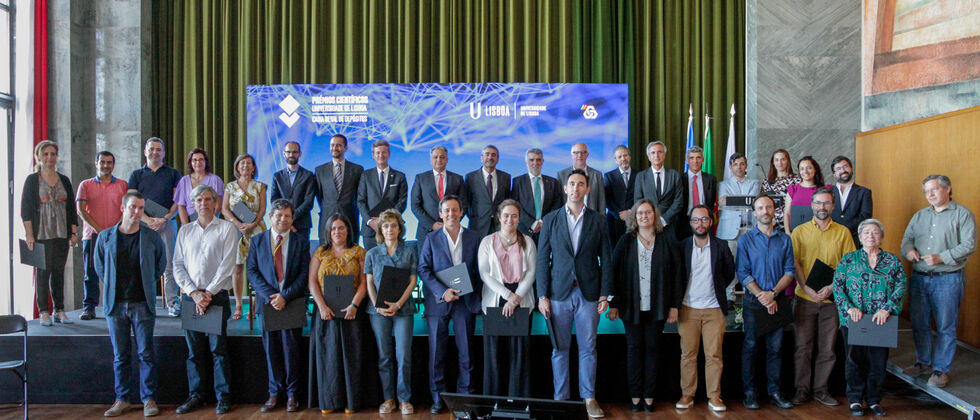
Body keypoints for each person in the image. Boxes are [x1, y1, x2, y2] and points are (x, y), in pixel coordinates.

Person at [536, 169, 612, 418]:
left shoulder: (599, 220)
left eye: (581, 184)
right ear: (565, 188)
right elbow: (542, 260)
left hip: (588, 294)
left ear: (587, 189)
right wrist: (542, 295)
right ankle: (562, 400)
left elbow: (607, 260)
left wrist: (604, 295)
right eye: (572, 184)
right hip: (558, 294)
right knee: (559, 349)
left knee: (588, 348)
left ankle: (589, 398)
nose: (576, 188)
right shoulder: (551, 219)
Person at [94, 192, 166, 418]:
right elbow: (100, 267)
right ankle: (122, 398)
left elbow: (160, 265)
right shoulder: (105, 237)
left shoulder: (152, 237)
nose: (137, 212)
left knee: (146, 353)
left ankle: (148, 399)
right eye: (133, 207)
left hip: (142, 304)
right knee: (120, 355)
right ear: (123, 208)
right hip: (116, 306)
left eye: (141, 208)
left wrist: (145, 281)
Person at [900, 175, 976, 387]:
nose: (930, 195)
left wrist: (942, 257)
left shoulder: (962, 215)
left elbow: (969, 245)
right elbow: (906, 240)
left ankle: (941, 370)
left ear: (948, 189)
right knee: (920, 323)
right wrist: (909, 251)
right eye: (926, 191)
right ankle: (923, 362)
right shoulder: (919, 216)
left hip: (948, 279)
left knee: (945, 326)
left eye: (934, 190)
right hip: (919, 278)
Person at [607, 198, 679, 413]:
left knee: (653, 351)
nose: (644, 216)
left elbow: (676, 274)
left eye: (648, 213)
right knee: (634, 351)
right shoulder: (626, 241)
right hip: (631, 308)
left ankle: (649, 396)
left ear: (654, 216)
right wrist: (613, 303)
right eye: (640, 213)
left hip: (658, 307)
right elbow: (613, 273)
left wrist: (674, 306)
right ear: (634, 218)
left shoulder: (666, 240)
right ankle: (635, 396)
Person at [172, 184, 238, 415]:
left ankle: (223, 397)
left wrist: (207, 293)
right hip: (191, 298)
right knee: (194, 352)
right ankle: (196, 395)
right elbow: (177, 265)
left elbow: (227, 265)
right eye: (198, 200)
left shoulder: (227, 229)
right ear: (192, 203)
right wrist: (193, 293)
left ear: (215, 202)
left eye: (208, 199)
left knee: (218, 350)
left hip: (216, 297)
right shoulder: (185, 231)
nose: (203, 203)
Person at [789, 187, 855, 407]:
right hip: (804, 298)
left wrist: (831, 287)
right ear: (811, 205)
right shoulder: (799, 231)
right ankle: (801, 390)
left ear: (833, 206)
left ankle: (821, 390)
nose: (822, 207)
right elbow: (795, 263)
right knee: (802, 348)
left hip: (831, 300)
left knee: (827, 349)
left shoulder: (843, 232)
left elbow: (848, 265)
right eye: (818, 203)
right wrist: (805, 287)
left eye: (826, 203)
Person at [833, 219, 906, 417]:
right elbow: (838, 287)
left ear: (881, 236)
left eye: (875, 232)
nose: (870, 236)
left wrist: (887, 309)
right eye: (866, 233)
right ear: (860, 236)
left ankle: (874, 400)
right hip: (854, 320)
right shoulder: (849, 260)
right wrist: (849, 308)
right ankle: (855, 400)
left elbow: (900, 286)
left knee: (878, 361)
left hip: (881, 320)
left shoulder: (892, 262)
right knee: (854, 360)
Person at [418, 195, 483, 413]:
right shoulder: (432, 238)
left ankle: (465, 398)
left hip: (465, 302)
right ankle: (438, 398)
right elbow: (423, 269)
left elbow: (480, 270)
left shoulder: (475, 237)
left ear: (461, 212)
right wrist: (442, 291)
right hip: (439, 302)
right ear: (440, 213)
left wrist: (467, 287)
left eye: (455, 210)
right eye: (447, 211)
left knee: (466, 353)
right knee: (437, 354)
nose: (451, 214)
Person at [246, 199, 310, 413]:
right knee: (271, 349)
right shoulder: (257, 241)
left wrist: (285, 296)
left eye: (288, 216)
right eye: (279, 215)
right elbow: (252, 272)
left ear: (292, 219)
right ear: (271, 217)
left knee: (291, 349)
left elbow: (304, 274)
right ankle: (274, 393)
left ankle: (292, 394)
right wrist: (271, 295)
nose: (283, 219)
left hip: (291, 302)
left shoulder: (301, 242)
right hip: (267, 303)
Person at [736, 195, 795, 410]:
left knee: (776, 349)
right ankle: (750, 393)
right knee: (750, 347)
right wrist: (762, 295)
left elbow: (790, 271)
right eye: (760, 208)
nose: (765, 211)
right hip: (753, 302)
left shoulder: (785, 239)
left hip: (778, 302)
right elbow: (742, 272)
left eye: (768, 207)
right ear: (754, 212)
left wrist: (773, 293)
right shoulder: (746, 240)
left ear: (774, 210)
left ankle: (775, 392)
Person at [675, 204, 736, 412]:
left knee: (714, 355)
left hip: (714, 310)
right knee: (688, 355)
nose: (699, 224)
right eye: (695, 220)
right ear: (690, 223)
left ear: (711, 222)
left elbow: (728, 274)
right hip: (687, 309)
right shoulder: (682, 246)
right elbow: (676, 277)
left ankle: (715, 396)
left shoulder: (721, 246)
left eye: (703, 219)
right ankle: (687, 394)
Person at [309, 213, 367, 413]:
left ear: (348, 230)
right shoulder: (320, 253)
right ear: (328, 231)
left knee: (352, 358)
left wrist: (354, 305)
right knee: (329, 358)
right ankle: (329, 401)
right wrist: (322, 306)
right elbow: (312, 282)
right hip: (326, 314)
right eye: (333, 228)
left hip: (352, 313)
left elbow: (364, 282)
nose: (337, 232)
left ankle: (351, 402)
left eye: (341, 228)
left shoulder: (359, 252)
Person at [478, 199, 537, 398]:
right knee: (494, 355)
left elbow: (531, 273)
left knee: (519, 354)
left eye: (514, 215)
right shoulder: (487, 241)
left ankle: (518, 402)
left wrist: (516, 296)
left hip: (522, 301)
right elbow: (484, 273)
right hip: (495, 300)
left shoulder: (527, 241)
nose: (509, 219)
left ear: (519, 218)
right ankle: (493, 402)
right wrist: (507, 295)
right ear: (498, 217)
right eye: (506, 215)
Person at [364, 209, 419, 415]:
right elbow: (369, 281)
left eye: (393, 225)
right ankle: (389, 399)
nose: (390, 229)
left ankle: (404, 399)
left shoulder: (409, 251)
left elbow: (413, 281)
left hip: (403, 309)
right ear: (380, 229)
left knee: (403, 354)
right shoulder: (372, 253)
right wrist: (377, 304)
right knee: (384, 356)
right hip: (377, 311)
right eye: (385, 226)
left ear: (400, 228)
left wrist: (397, 304)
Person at [21, 140, 78, 326]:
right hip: (40, 233)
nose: (49, 158)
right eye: (45, 154)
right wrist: (29, 234)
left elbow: (71, 208)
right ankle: (44, 311)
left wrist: (73, 231)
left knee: (59, 272)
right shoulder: (32, 180)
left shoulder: (64, 180)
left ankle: (59, 310)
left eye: (53, 154)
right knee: (43, 273)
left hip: (61, 232)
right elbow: (26, 210)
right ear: (39, 156)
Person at [128, 137, 183, 317]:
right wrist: (147, 220)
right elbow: (131, 201)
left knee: (168, 265)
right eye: (151, 149)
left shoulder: (173, 173)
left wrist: (165, 218)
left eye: (158, 149)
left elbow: (178, 201)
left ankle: (172, 302)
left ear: (164, 153)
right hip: (143, 225)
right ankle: (146, 303)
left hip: (167, 224)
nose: (155, 152)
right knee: (144, 264)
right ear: (145, 152)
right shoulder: (136, 175)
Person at [76, 151, 128, 320]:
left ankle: (117, 306)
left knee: (117, 271)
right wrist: (98, 228)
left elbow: (127, 209)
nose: (106, 165)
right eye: (103, 162)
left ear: (113, 164)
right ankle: (89, 307)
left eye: (109, 162)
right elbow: (81, 210)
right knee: (90, 273)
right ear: (96, 163)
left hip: (117, 234)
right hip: (92, 236)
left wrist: (116, 228)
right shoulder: (85, 185)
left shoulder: (122, 185)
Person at [221, 154, 267, 320]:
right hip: (236, 230)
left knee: (258, 268)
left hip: (256, 229)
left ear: (254, 167)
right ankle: (239, 304)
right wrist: (237, 223)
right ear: (237, 167)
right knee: (237, 267)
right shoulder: (230, 187)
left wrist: (253, 224)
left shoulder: (260, 186)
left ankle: (255, 306)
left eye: (249, 163)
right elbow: (225, 209)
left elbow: (262, 210)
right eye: (242, 163)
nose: (246, 166)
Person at [411, 145, 466, 251]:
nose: (439, 160)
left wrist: (450, 223)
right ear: (431, 159)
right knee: (425, 266)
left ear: (447, 159)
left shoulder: (457, 179)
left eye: (442, 157)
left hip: (451, 232)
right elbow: (415, 205)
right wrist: (432, 224)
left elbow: (463, 204)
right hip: (426, 232)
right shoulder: (420, 178)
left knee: (450, 266)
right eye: (435, 157)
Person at [357, 139, 408, 250]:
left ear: (389, 154)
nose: (381, 155)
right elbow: (361, 201)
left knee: (392, 264)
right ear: (373, 155)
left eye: (384, 152)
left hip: (392, 229)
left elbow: (402, 201)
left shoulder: (400, 176)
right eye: (378, 152)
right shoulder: (366, 175)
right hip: (370, 230)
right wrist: (370, 221)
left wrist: (388, 220)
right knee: (372, 263)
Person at [314, 134, 364, 244]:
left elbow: (360, 195)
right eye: (332, 145)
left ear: (345, 148)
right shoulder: (319, 170)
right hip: (327, 220)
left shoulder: (357, 170)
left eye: (338, 145)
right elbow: (319, 195)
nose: (334, 148)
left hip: (350, 220)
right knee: (326, 258)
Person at [510, 148, 563, 243]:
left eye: (538, 160)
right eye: (531, 160)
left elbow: (557, 205)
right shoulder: (518, 181)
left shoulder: (553, 182)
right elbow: (515, 205)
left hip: (547, 231)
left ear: (542, 161)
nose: (535, 163)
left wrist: (542, 222)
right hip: (524, 231)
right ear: (526, 162)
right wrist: (532, 224)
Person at [633, 141, 683, 238]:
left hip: (669, 225)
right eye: (653, 152)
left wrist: (663, 219)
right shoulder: (641, 176)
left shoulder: (674, 175)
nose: (656, 155)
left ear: (664, 155)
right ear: (648, 156)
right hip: (647, 225)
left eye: (660, 152)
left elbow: (678, 201)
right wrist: (650, 218)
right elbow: (638, 201)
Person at [270, 141, 317, 240]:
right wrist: (285, 218)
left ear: (299, 154)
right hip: (281, 224)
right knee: (282, 254)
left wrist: (290, 218)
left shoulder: (308, 175)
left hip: (302, 225)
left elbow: (308, 202)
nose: (291, 155)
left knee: (302, 255)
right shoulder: (277, 176)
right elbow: (274, 200)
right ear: (284, 154)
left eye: (295, 152)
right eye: (288, 152)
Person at [717, 153, 760, 253]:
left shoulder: (755, 183)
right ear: (730, 167)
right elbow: (724, 202)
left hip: (749, 228)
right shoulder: (723, 185)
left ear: (746, 166)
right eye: (735, 164)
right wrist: (744, 201)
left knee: (749, 264)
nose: (739, 167)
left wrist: (732, 200)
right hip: (729, 230)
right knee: (729, 264)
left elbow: (753, 202)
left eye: (742, 164)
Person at [465, 145, 511, 237]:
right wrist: (475, 218)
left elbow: (507, 201)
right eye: (487, 154)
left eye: (493, 155)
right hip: (478, 226)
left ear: (497, 159)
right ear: (482, 158)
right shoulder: (471, 177)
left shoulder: (506, 177)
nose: (490, 157)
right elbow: (466, 202)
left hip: (499, 226)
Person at [829, 156, 873, 247]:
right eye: (838, 168)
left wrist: (845, 229)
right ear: (834, 174)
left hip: (855, 239)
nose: (843, 170)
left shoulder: (864, 192)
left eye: (845, 166)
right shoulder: (828, 192)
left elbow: (865, 216)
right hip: (830, 238)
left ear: (851, 169)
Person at [174, 148, 224, 225]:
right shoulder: (184, 181)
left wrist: (210, 221)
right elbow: (181, 206)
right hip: (189, 223)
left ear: (205, 162)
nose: (198, 162)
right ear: (190, 162)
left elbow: (218, 204)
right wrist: (187, 226)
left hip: (210, 222)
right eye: (194, 160)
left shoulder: (215, 180)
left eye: (201, 159)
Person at [783, 156, 831, 233]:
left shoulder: (824, 190)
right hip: (795, 235)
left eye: (809, 168)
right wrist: (788, 233)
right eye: (802, 169)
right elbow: (787, 213)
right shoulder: (793, 189)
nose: (805, 171)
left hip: (818, 234)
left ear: (815, 169)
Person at [678, 146, 718, 239]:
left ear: (703, 159)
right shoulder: (679, 179)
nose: (695, 161)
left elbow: (712, 203)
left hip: (704, 222)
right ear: (687, 160)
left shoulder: (711, 179)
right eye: (691, 158)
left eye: (698, 157)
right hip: (684, 222)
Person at [557, 143, 606, 214]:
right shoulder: (562, 175)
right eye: (576, 152)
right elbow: (559, 201)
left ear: (587, 155)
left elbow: (601, 201)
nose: (580, 155)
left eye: (583, 152)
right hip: (568, 218)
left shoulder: (597, 175)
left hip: (592, 218)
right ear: (571, 155)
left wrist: (602, 221)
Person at [761, 149, 800, 230]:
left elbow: (799, 201)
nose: (780, 163)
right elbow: (763, 202)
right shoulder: (767, 182)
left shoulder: (796, 180)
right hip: (773, 224)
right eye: (777, 160)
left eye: (783, 159)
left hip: (792, 222)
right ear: (773, 162)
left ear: (788, 161)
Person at [603, 145, 635, 245]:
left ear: (629, 157)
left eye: (625, 155)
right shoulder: (609, 176)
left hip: (635, 219)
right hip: (614, 220)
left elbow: (641, 196)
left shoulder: (639, 175)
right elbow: (607, 198)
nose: (623, 159)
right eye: (620, 157)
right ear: (616, 160)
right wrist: (620, 214)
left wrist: (630, 212)